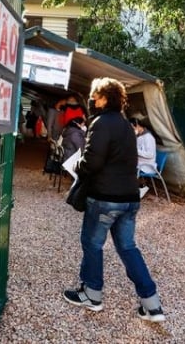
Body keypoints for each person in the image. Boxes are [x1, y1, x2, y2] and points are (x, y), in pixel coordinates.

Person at [63, 77, 165, 322]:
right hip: (130, 198)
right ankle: (152, 305)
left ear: (105, 98)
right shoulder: (125, 125)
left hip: (105, 198)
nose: (92, 100)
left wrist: (76, 163)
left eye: (95, 96)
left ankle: (92, 294)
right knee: (128, 248)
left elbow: (92, 162)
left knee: (92, 243)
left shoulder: (100, 123)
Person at [130, 116, 157, 199]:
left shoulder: (148, 137)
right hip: (141, 162)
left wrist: (136, 151)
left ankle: (137, 189)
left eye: (132, 128)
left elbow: (150, 154)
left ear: (137, 126)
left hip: (148, 164)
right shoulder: (140, 136)